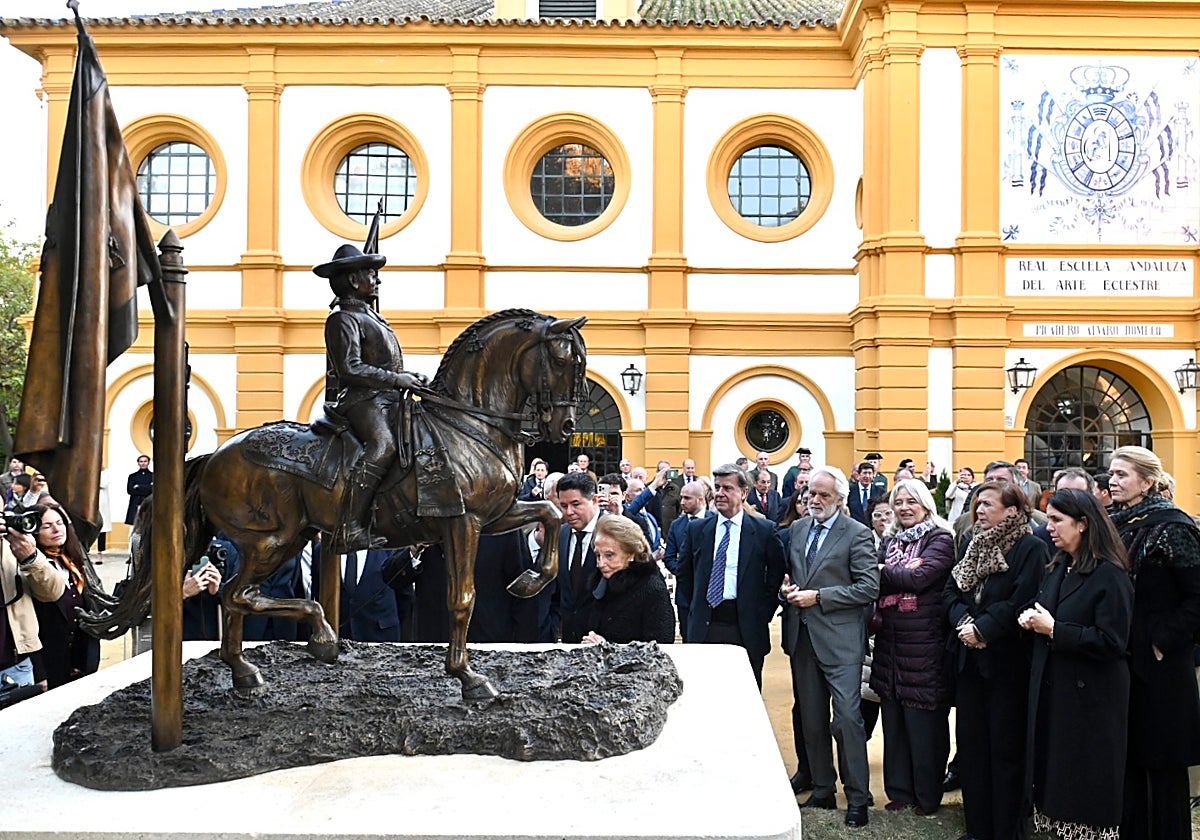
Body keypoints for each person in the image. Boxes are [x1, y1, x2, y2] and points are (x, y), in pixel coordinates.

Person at [1018, 488, 1133, 840]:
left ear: (1083, 524)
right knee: (1056, 781)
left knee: (1084, 787)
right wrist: (1032, 620)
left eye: (1057, 520)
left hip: (1092, 698)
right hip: (1057, 692)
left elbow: (1113, 642)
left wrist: (1055, 630)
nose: (1049, 527)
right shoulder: (1059, 566)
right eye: (1048, 518)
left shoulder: (1109, 573)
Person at [943, 480, 1047, 840]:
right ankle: (977, 829)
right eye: (978, 504)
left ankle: (1005, 830)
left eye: (988, 504)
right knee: (972, 750)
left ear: (1013, 510)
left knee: (1004, 752)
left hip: (1006, 664)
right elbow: (952, 591)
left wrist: (984, 630)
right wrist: (963, 623)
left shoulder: (1029, 547)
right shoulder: (973, 543)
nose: (980, 510)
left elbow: (1022, 599)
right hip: (969, 660)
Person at [1106, 446, 1200, 840]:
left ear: (1147, 481)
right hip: (1123, 657)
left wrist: (1163, 639)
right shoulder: (1115, 524)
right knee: (1128, 758)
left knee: (1161, 765)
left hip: (1161, 667)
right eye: (1110, 473)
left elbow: (1197, 597)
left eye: (1122, 474)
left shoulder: (1174, 526)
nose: (1112, 480)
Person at [780, 465, 879, 828]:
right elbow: (791, 579)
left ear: (840, 499)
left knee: (849, 720)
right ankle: (823, 789)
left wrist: (820, 596)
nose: (814, 500)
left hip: (841, 642)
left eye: (823, 495)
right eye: (810, 493)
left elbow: (869, 587)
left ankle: (857, 798)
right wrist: (786, 592)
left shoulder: (857, 534)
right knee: (811, 719)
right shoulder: (797, 530)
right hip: (802, 638)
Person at [317, 243, 426, 550]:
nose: (377, 281)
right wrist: (396, 379)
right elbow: (350, 368)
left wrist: (411, 378)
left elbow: (386, 361)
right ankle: (350, 525)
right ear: (354, 281)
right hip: (362, 401)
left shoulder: (371, 316)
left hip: (386, 398)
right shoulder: (342, 319)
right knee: (384, 445)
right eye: (370, 274)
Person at [871, 478, 955, 816]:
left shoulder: (940, 538)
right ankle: (900, 791)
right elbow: (874, 577)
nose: (905, 507)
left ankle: (927, 796)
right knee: (894, 723)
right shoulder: (890, 540)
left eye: (911, 501)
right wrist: (896, 570)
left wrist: (886, 571)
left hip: (924, 645)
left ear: (926, 504)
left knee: (924, 727)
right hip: (890, 643)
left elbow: (920, 579)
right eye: (899, 501)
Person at [677, 463, 785, 689]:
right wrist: (689, 620)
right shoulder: (697, 530)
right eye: (717, 487)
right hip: (705, 626)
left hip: (745, 627)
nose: (720, 493)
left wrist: (761, 614)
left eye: (728, 488)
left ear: (744, 493)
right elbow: (685, 578)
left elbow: (775, 577)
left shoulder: (764, 530)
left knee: (744, 700)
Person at [20, 503, 101, 688]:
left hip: (82, 659)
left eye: (60, 522)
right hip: (49, 662)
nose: (57, 529)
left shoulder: (76, 560)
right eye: (47, 526)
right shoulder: (28, 568)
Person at [582, 516, 674, 645]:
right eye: (598, 555)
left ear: (631, 554)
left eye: (609, 555)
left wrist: (606, 649)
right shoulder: (600, 584)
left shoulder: (652, 590)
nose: (600, 563)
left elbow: (660, 649)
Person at [555, 471, 603, 643]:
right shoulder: (561, 534)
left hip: (603, 641)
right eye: (563, 505)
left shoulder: (614, 532)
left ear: (595, 500)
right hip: (569, 639)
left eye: (576, 504)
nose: (569, 512)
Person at [663, 479, 713, 643]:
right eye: (681, 498)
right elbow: (669, 557)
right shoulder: (677, 525)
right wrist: (684, 572)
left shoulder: (716, 521)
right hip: (686, 595)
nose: (682, 502)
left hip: (711, 594)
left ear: (700, 499)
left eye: (687, 498)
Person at [124, 454, 153, 525]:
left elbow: (153, 490)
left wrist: (138, 487)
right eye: (141, 461)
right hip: (136, 504)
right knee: (134, 527)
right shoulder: (132, 476)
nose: (143, 463)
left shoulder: (153, 476)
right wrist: (147, 487)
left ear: (148, 462)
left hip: (149, 504)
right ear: (138, 463)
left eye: (145, 461)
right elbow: (130, 490)